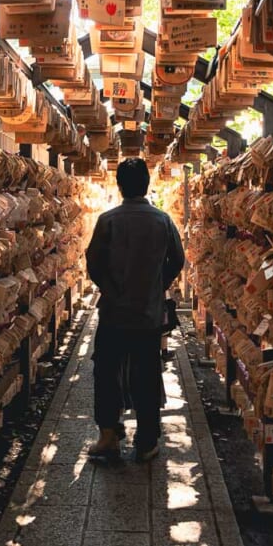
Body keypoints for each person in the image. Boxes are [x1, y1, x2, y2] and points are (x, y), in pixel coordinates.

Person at [85, 158, 185, 462]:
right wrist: (158, 284)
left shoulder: (108, 220)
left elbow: (93, 262)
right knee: (147, 374)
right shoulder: (162, 220)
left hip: (114, 312)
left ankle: (109, 436)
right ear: (147, 185)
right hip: (148, 314)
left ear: (119, 185)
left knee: (106, 371)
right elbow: (177, 259)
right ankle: (146, 440)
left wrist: (109, 287)